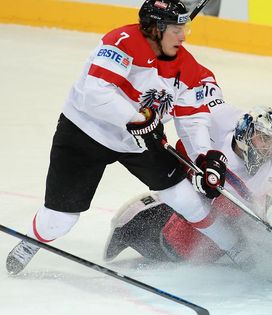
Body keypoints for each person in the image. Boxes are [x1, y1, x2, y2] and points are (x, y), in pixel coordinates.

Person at [5, 0, 239, 275]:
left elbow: (191, 119)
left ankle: (235, 248)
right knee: (58, 221)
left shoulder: (187, 67)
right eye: (176, 29)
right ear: (155, 29)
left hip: (138, 140)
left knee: (185, 197)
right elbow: (95, 93)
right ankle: (32, 241)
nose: (183, 36)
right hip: (85, 132)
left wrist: (202, 157)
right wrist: (137, 119)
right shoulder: (121, 42)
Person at [102, 104, 272, 291]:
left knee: (224, 232)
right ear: (245, 134)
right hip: (176, 236)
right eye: (262, 139)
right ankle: (133, 222)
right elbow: (183, 144)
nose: (268, 146)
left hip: (217, 240)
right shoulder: (216, 145)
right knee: (177, 240)